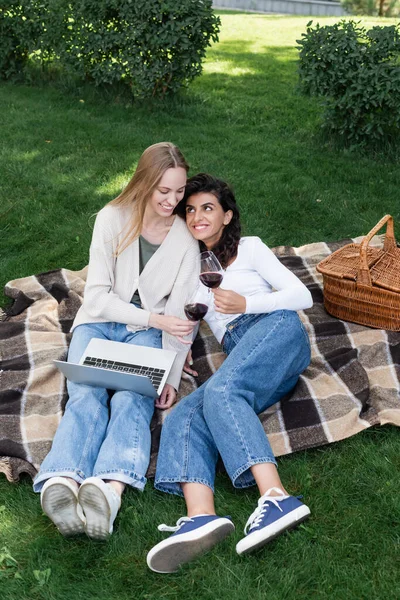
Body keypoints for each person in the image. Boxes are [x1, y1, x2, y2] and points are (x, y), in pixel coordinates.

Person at [146, 173, 314, 573]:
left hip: (276, 330)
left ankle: (276, 497)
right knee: (184, 415)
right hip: (245, 355)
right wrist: (172, 375)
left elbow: (303, 296)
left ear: (226, 215)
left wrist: (247, 304)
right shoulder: (194, 270)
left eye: (208, 208)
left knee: (222, 393)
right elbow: (185, 325)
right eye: (191, 210)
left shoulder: (250, 249)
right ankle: (201, 517)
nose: (198, 216)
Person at [33, 142, 199, 540]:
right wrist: (152, 316)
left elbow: (178, 320)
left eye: (179, 192)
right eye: (164, 191)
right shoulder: (111, 218)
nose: (173, 201)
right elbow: (96, 298)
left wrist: (172, 374)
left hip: (145, 336)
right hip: (98, 324)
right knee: (86, 394)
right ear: (144, 183)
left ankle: (110, 492)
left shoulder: (185, 239)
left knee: (132, 400)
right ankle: (63, 482)